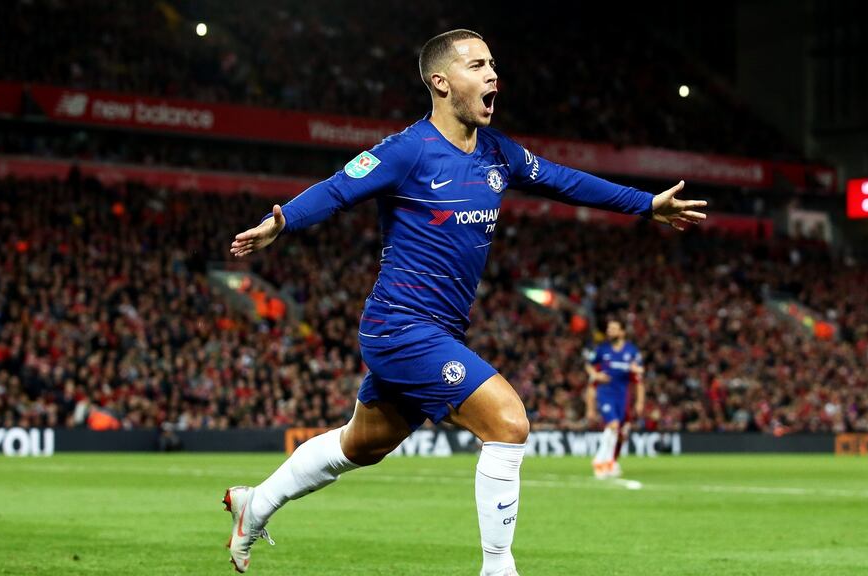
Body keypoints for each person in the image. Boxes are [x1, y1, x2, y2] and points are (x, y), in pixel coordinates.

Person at [223, 29, 707, 575]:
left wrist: (645, 204)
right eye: (477, 66)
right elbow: (339, 187)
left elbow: (564, 181)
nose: (493, 74)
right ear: (441, 82)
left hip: (440, 332)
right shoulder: (408, 150)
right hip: (400, 327)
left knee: (362, 445)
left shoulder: (499, 152)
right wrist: (281, 220)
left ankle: (254, 504)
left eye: (493, 64)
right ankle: (498, 569)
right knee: (508, 422)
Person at [585, 319, 645, 479]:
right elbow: (589, 364)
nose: (609, 331)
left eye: (613, 329)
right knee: (613, 424)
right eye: (609, 328)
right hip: (606, 392)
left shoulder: (631, 351)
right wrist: (596, 374)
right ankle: (599, 461)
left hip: (622, 395)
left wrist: (636, 369)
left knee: (618, 430)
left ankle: (609, 462)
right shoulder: (602, 349)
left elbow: (640, 370)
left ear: (622, 332)